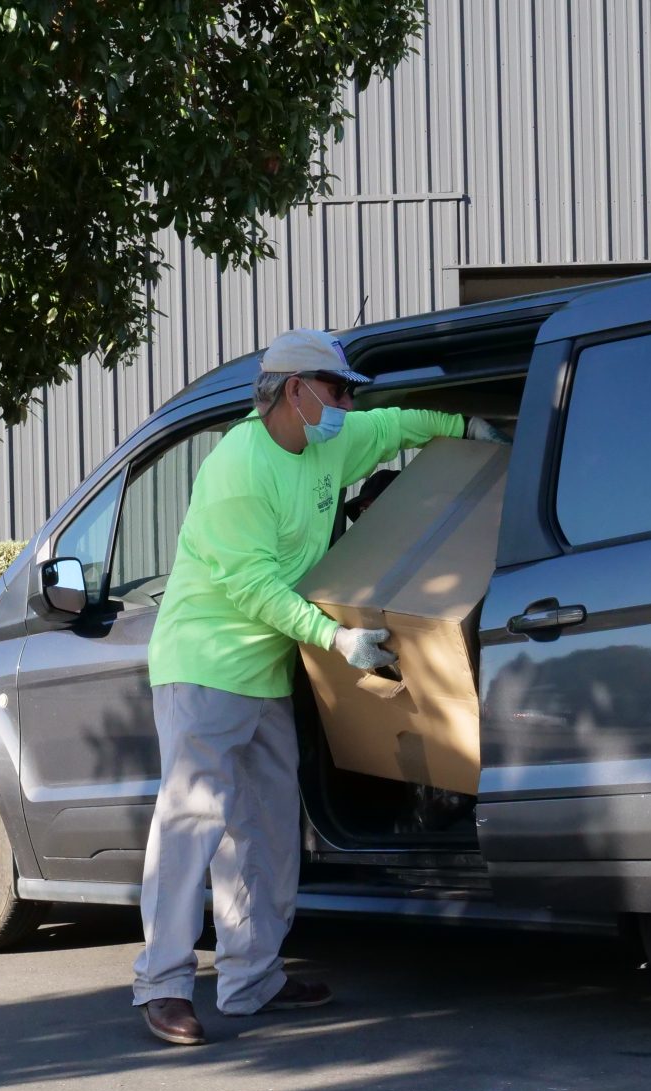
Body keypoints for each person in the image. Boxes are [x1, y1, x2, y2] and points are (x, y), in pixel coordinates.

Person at [134, 326, 507, 1045]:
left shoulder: (330, 440)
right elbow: (250, 584)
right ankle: (164, 985)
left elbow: (399, 424)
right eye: (336, 391)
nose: (345, 403)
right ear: (294, 390)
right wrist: (335, 638)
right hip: (205, 664)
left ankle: (252, 979)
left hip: (267, 669)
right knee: (192, 824)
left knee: (267, 831)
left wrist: (468, 426)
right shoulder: (238, 467)